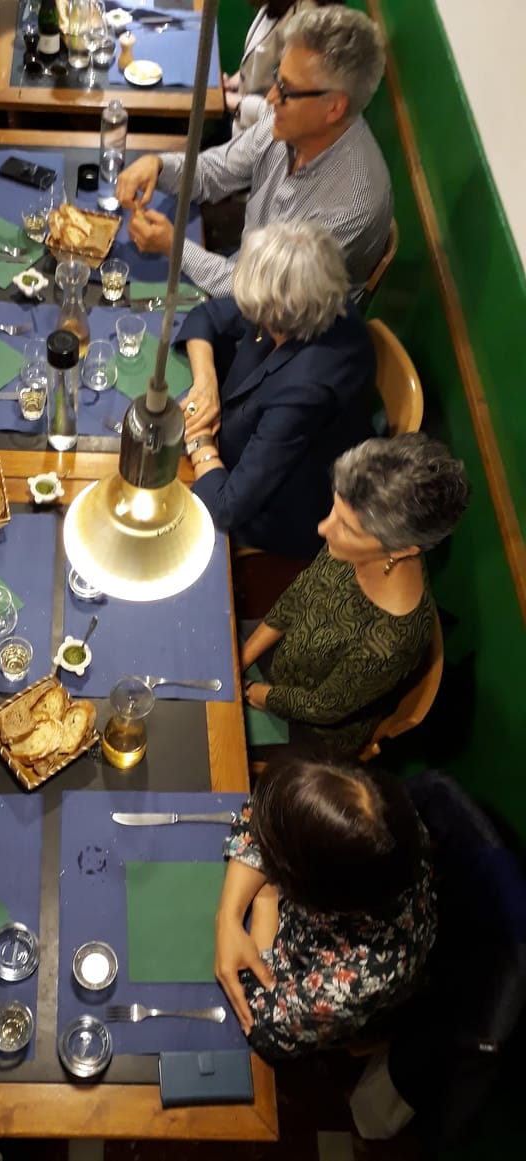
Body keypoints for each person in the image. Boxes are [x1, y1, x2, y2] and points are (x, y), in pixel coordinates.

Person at [116, 5, 391, 298]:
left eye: (286, 90)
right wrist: (157, 165)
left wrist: (175, 248)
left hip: (280, 325)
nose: (271, 98)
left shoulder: (350, 207)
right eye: (277, 77)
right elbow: (214, 172)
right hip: (240, 269)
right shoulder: (286, 123)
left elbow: (262, 294)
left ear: (334, 108)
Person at [240, 433, 471, 755]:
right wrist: (242, 658)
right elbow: (298, 597)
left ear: (403, 549)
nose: (324, 527)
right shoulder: (352, 544)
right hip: (281, 656)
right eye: (335, 510)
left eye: (347, 527)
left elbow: (321, 706)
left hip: (308, 726)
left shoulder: (391, 641)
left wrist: (247, 690)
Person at [215, 753, 436, 1059]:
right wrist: (229, 916)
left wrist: (265, 901)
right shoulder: (376, 812)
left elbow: (266, 1028)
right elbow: (262, 817)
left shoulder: (360, 977)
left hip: (310, 977)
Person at [177, 221, 375, 556]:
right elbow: (204, 316)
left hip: (277, 509)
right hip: (241, 442)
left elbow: (226, 507)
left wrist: (200, 441)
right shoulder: (314, 297)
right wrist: (206, 383)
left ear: (277, 312)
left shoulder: (305, 391)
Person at [222, 1, 343, 137]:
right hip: (244, 127)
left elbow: (292, 111)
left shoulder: (307, 20)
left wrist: (236, 103)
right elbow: (265, 62)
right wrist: (233, 83)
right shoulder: (277, 5)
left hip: (266, 140)